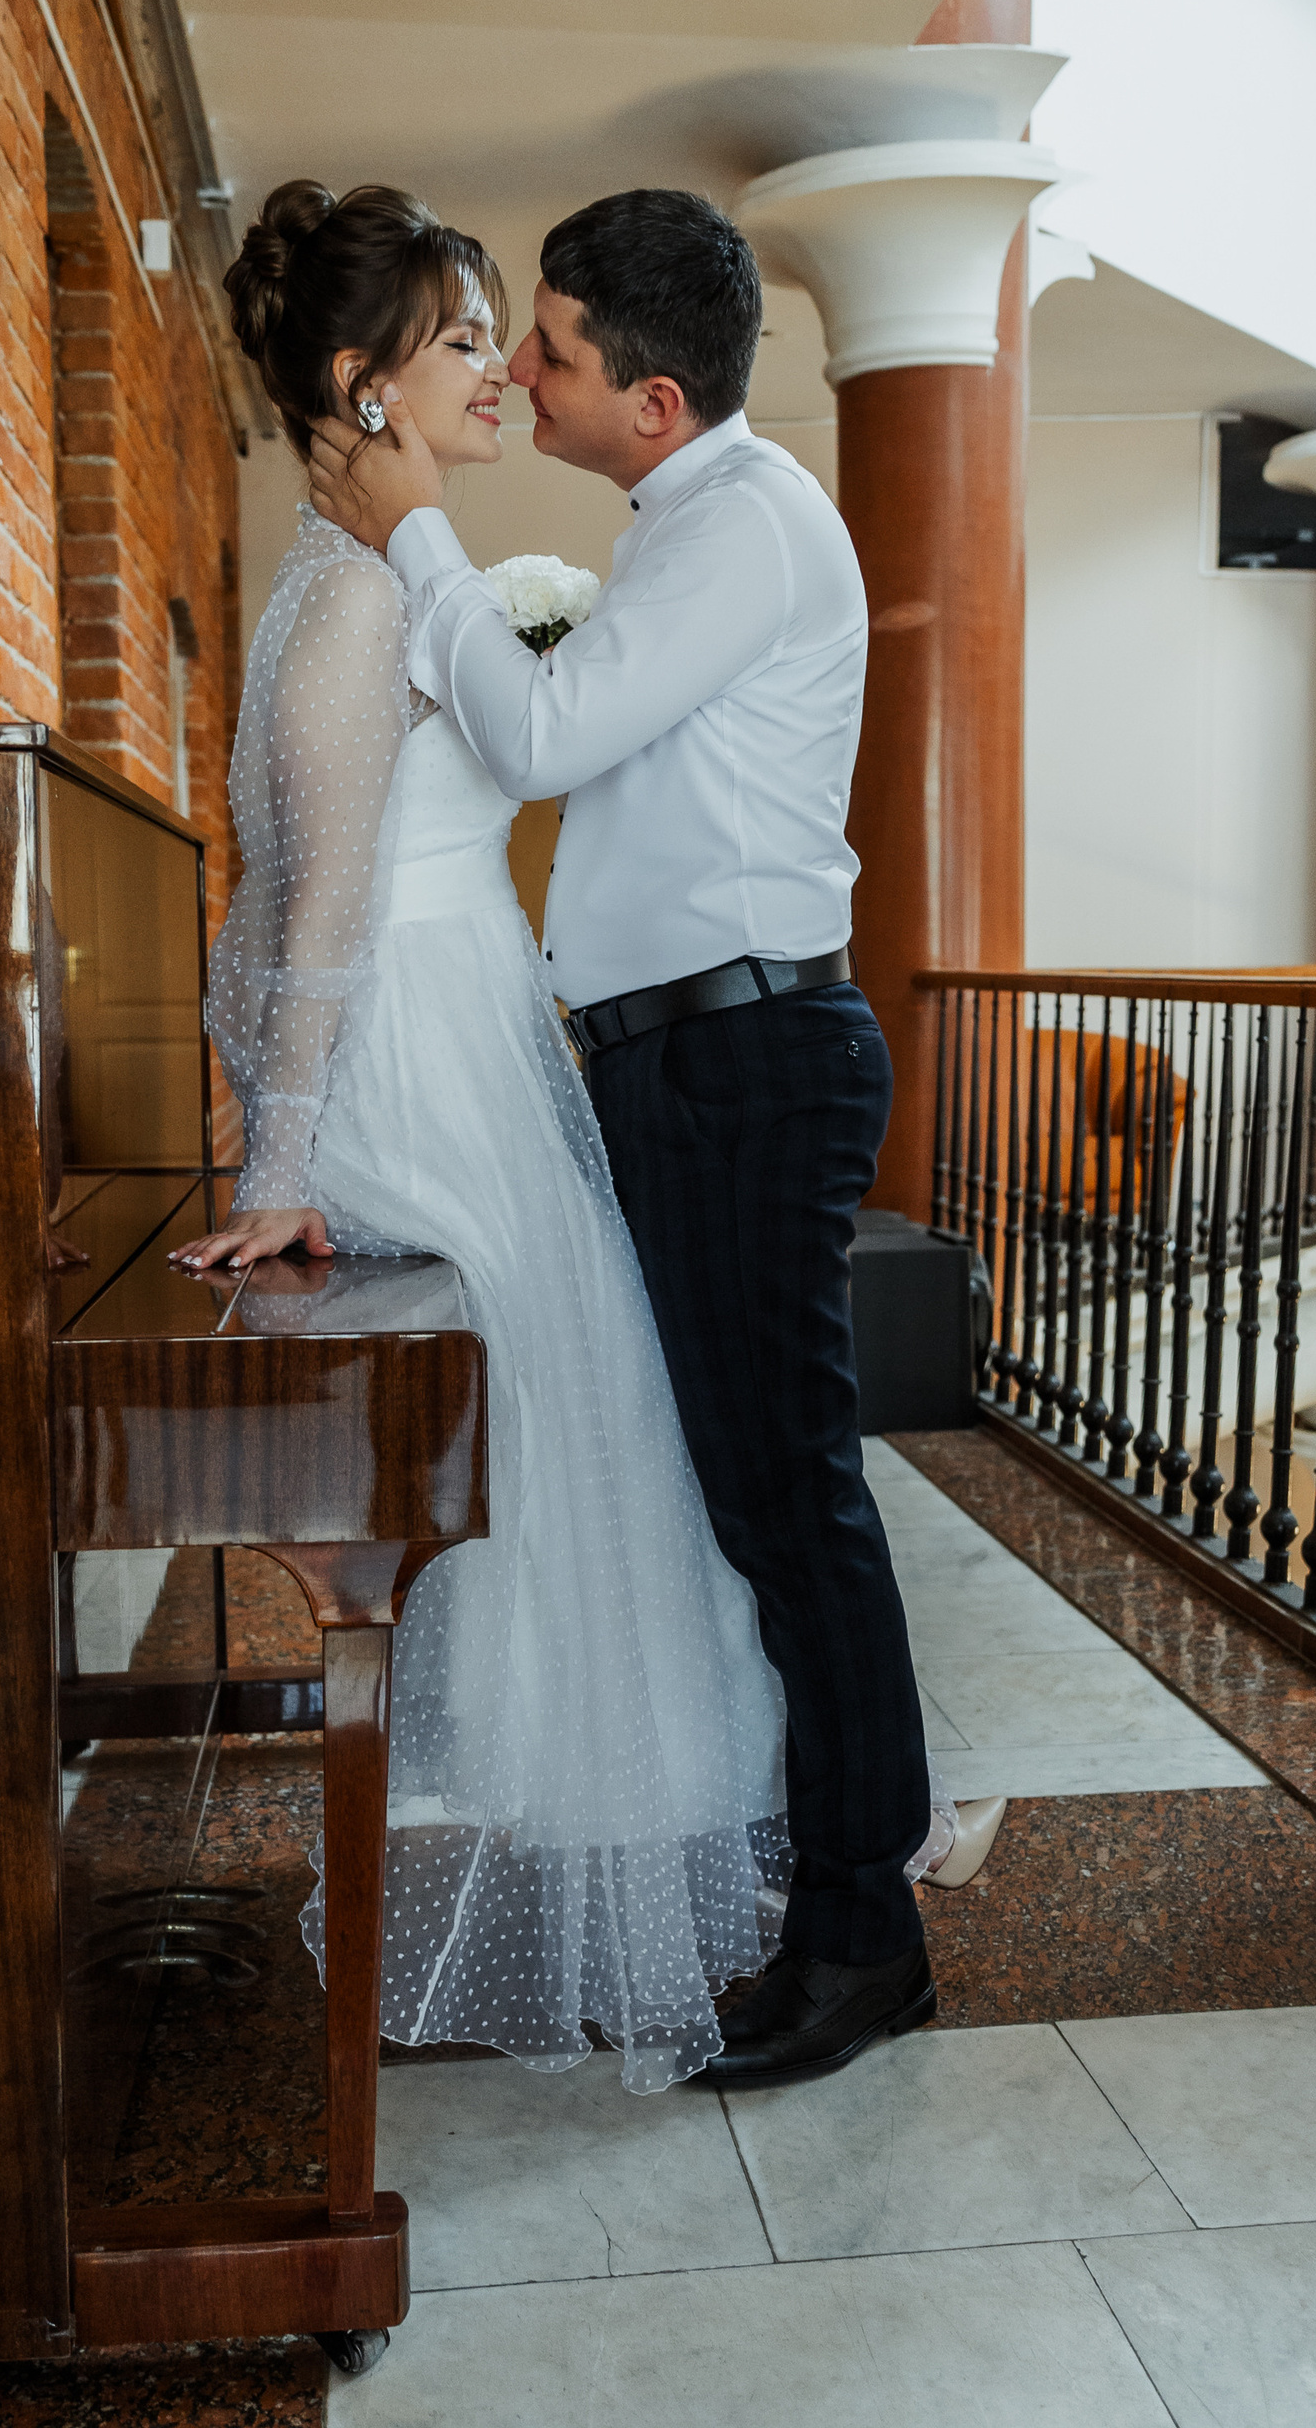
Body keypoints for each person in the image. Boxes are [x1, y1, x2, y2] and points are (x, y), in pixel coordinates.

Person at [308, 186, 979, 2090]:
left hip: (747, 1060)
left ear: (657, 403)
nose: (522, 371)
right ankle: (825, 1885)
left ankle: (865, 1934)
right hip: (688, 1061)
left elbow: (541, 739)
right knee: (749, 1499)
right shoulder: (689, 522)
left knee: (792, 1503)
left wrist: (418, 532)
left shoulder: (744, 526)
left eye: (555, 349)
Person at [170, 182, 790, 2093]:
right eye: (461, 338)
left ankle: (653, 1839)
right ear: (366, 382)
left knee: (598, 1437)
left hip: (469, 1033)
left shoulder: (367, 581)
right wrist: (284, 1166)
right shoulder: (360, 600)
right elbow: (320, 900)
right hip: (428, 1061)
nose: (497, 368)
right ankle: (623, 1853)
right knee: (575, 1439)